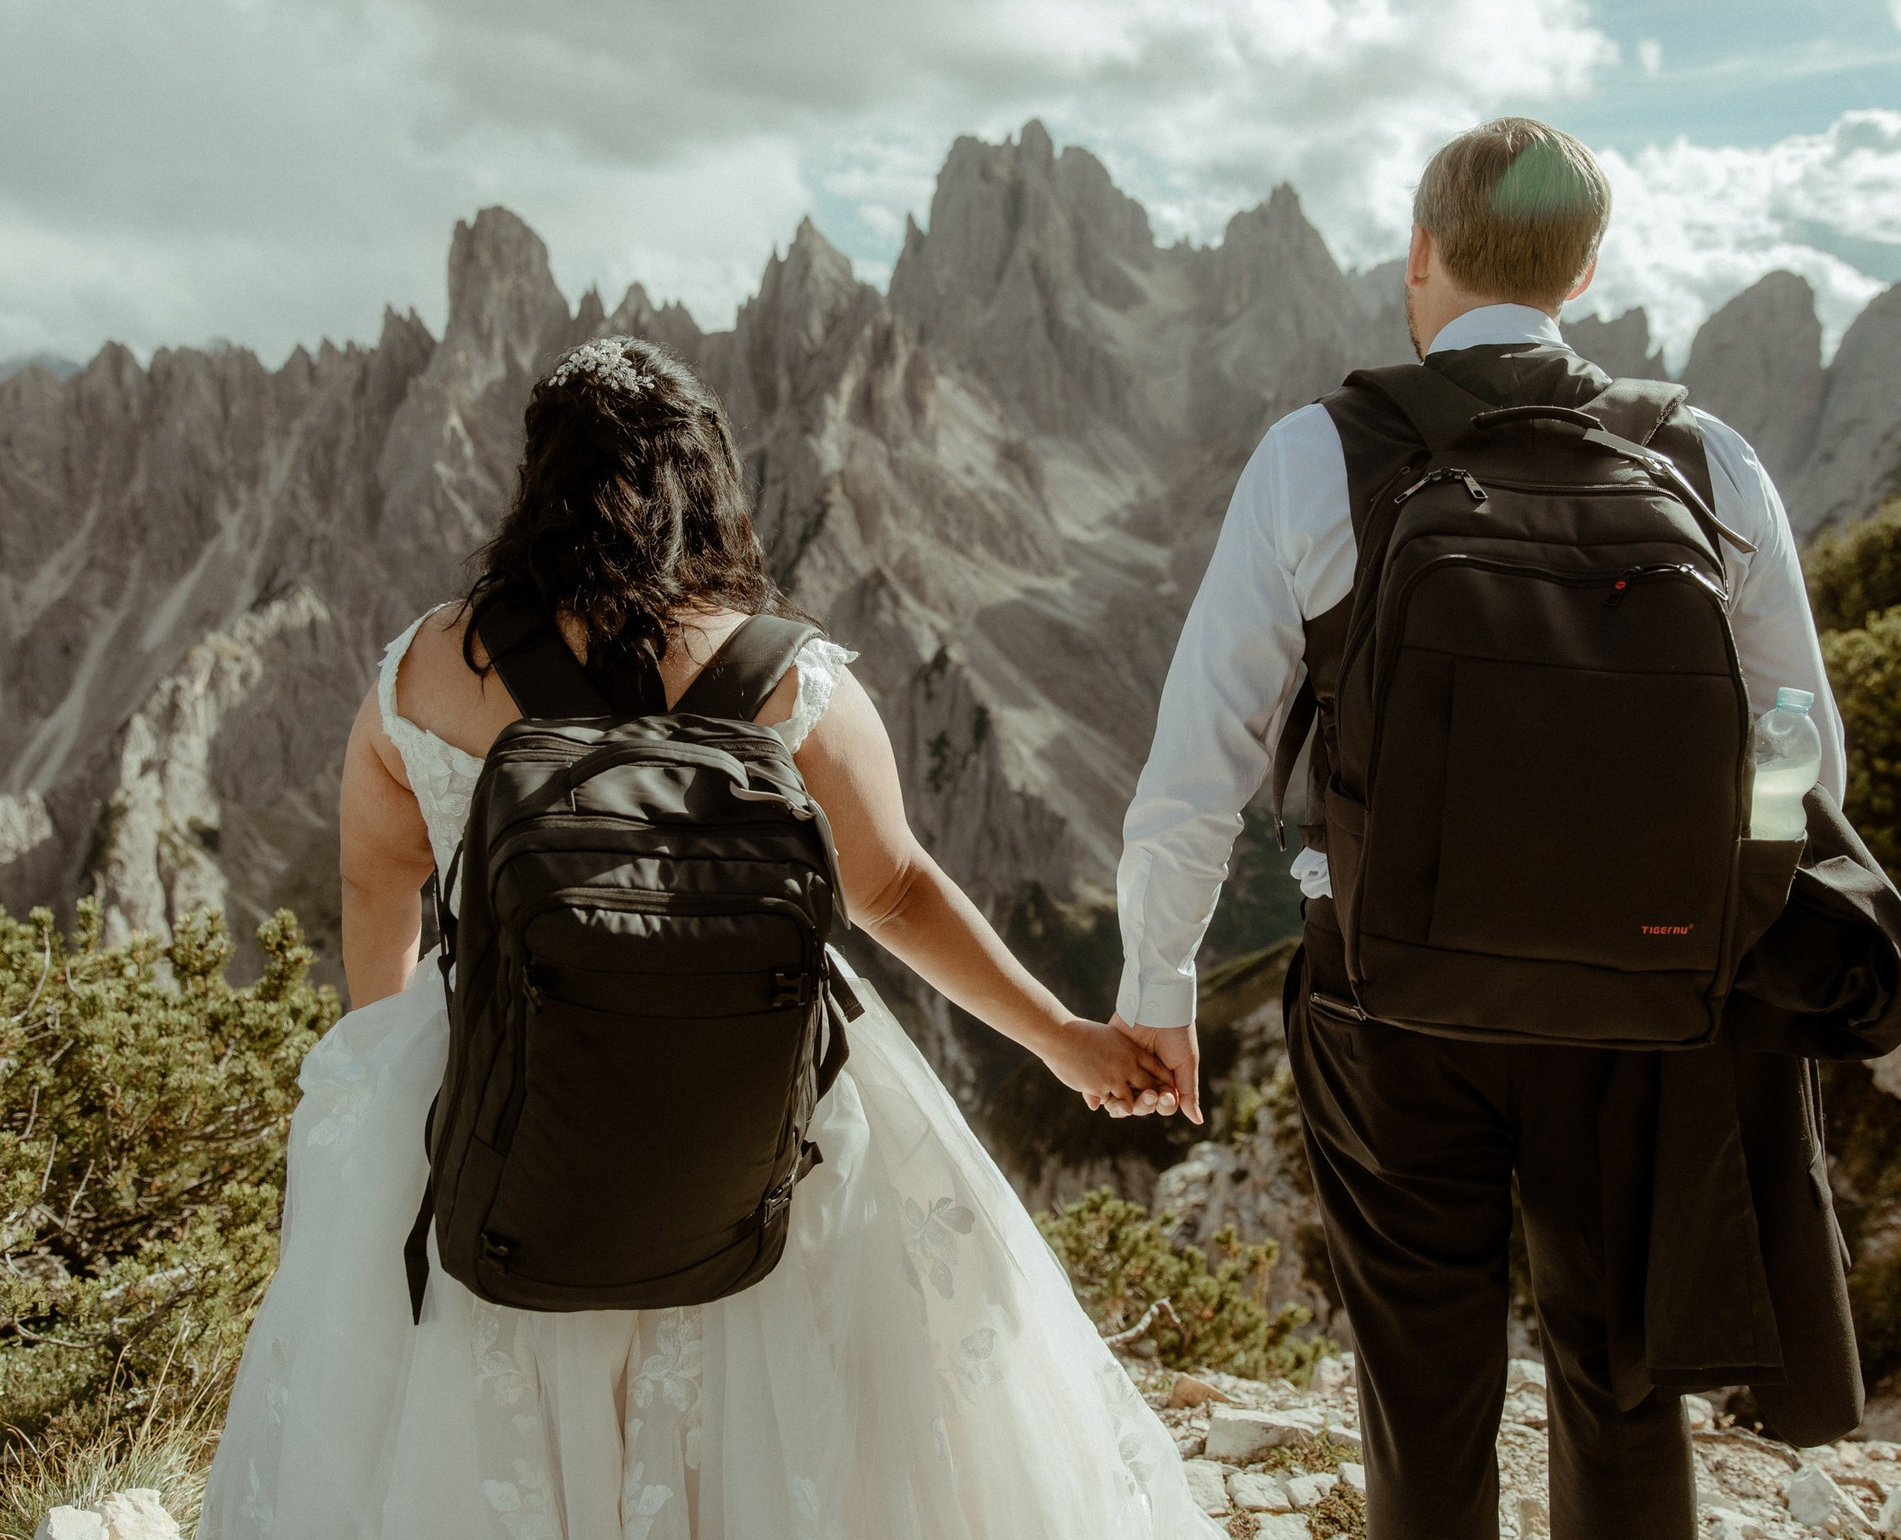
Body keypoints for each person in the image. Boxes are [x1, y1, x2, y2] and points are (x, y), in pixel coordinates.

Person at [202, 336, 1217, 1539]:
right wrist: (1062, 1038)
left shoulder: (425, 671)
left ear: (537, 488)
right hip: (750, 1108)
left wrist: (387, 1081)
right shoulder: (794, 681)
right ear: (708, 487)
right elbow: (891, 893)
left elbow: (381, 889)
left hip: (509, 1096)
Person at [1111, 118, 1851, 1539]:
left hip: (1392, 1001)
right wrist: (1726, 909)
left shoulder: (1316, 454)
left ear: (1423, 255)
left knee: (1425, 1377)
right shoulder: (1704, 455)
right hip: (1638, 1004)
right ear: (1584, 270)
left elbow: (1199, 765)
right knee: (1620, 1374)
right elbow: (1803, 747)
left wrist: (1159, 990)